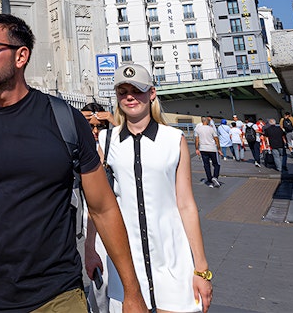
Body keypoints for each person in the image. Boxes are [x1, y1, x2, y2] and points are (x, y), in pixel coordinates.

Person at [0, 13, 147, 313]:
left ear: (21, 56)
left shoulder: (65, 120)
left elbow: (103, 208)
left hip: (57, 296)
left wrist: (132, 292)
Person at [90, 64, 213, 313]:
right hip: (125, 263)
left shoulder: (173, 139)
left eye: (137, 90)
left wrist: (202, 269)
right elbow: (98, 204)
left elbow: (186, 205)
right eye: (123, 91)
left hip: (172, 258)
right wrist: (90, 249)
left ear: (152, 93)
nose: (130, 96)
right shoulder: (106, 141)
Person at [80, 102, 113, 313]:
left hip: (112, 222)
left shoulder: (115, 147)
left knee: (108, 280)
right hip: (87, 223)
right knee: (101, 281)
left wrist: (112, 120)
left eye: (99, 126)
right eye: (90, 126)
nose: (95, 131)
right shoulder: (77, 149)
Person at [194, 117, 222, 187]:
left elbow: (197, 140)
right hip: (212, 148)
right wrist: (219, 149)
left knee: (206, 165)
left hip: (203, 148)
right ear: (208, 122)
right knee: (216, 164)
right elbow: (216, 139)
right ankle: (215, 177)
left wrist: (197, 149)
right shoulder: (211, 128)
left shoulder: (197, 129)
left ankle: (210, 180)